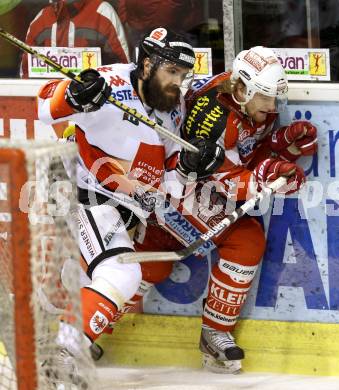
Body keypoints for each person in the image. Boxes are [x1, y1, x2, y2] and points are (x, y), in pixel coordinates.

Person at [36, 26, 224, 385]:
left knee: (85, 284)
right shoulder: (111, 83)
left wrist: (188, 166)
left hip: (123, 207)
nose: (177, 83)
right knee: (123, 272)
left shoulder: (172, 107)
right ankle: (60, 354)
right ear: (148, 64)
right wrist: (74, 96)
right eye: (172, 72)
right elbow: (45, 107)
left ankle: (58, 344)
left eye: (183, 76)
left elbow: (165, 175)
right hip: (82, 192)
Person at [114, 46, 317, 374]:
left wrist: (283, 146)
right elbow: (231, 183)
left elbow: (247, 154)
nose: (272, 105)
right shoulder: (213, 117)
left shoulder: (246, 101)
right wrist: (272, 174)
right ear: (241, 89)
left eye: (275, 97)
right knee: (243, 241)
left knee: (151, 261)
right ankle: (212, 332)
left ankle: (85, 322)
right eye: (265, 96)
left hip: (186, 185)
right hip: (175, 185)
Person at [20, 0, 130, 78]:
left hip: (94, 103)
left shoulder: (102, 12)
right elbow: (26, 73)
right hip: (50, 103)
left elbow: (123, 70)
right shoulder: (41, 19)